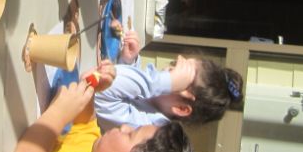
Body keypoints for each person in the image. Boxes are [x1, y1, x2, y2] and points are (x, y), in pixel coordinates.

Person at [0, 65, 200, 152]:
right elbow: (85, 125)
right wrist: (92, 86)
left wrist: (59, 113)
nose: (124, 127)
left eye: (130, 134)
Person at [94, 33, 244, 128]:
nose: (168, 70)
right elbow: (129, 93)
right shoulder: (153, 100)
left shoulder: (145, 127)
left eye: (178, 78)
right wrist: (128, 62)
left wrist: (163, 82)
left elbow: (102, 89)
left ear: (181, 108)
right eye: (174, 65)